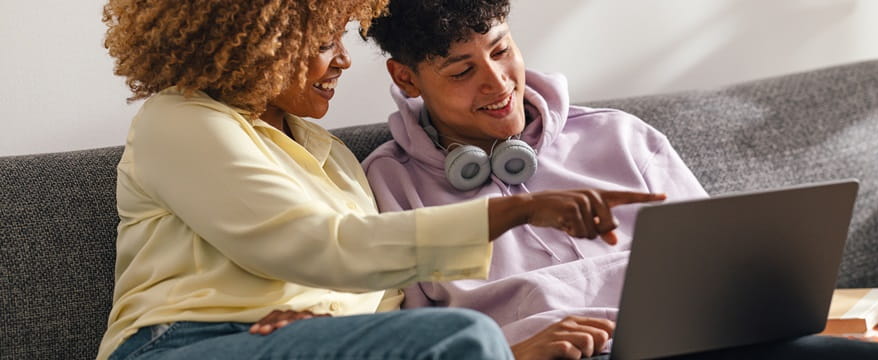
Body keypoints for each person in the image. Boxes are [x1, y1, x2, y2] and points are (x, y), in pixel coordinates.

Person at [97, 1, 661, 359]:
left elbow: (387, 298)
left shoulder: (334, 157)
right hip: (182, 343)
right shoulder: (178, 121)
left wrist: (330, 328)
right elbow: (319, 246)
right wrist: (518, 211)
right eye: (324, 44)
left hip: (295, 341)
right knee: (467, 337)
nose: (343, 61)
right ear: (257, 47)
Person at [359, 1, 878, 360]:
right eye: (462, 70)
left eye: (502, 50)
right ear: (406, 78)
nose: (498, 82)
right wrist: (509, 351)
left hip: (696, 343)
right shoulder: (388, 183)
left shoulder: (619, 136)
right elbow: (406, 339)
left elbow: (720, 264)